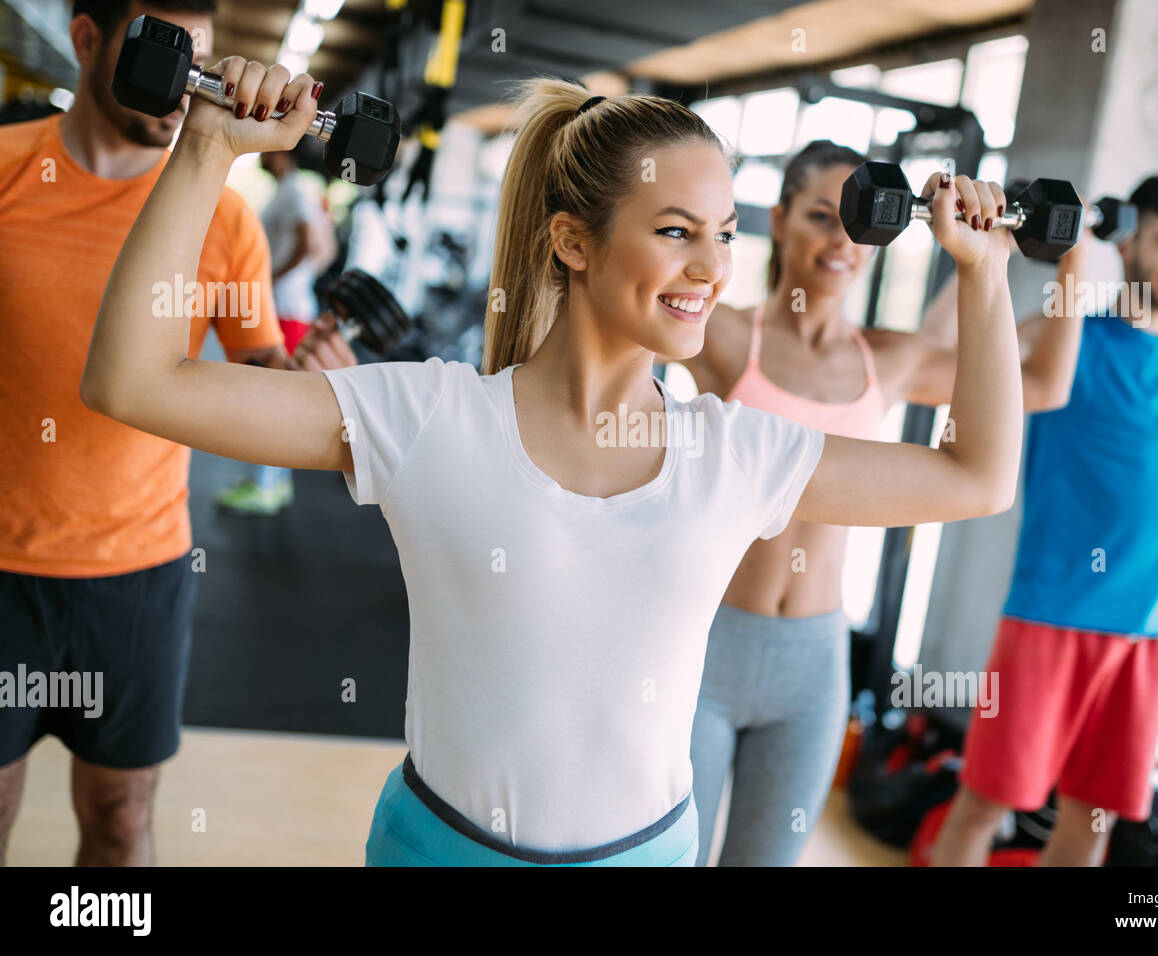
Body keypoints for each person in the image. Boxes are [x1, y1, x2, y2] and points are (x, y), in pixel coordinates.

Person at [81, 61, 1025, 865]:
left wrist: (984, 274)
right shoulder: (428, 415)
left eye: (726, 234)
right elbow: (133, 382)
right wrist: (206, 147)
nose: (712, 268)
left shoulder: (735, 455)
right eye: (675, 231)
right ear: (573, 239)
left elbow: (977, 477)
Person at [0, 0, 353, 866]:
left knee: (121, 825)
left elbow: (259, 364)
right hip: (3, 573)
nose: (179, 87)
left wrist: (304, 385)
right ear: (86, 41)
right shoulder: (7, 173)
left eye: (195, 60)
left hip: (141, 576)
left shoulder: (221, 219)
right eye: (156, 53)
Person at [673, 140, 1086, 866]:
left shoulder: (887, 360)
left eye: (855, 222)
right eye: (818, 217)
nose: (838, 240)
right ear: (780, 218)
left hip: (813, 661)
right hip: (708, 645)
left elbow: (1043, 385)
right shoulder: (726, 335)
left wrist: (1072, 255)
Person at [930, 173, 1158, 866]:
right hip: (1050, 618)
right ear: (1125, 240)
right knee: (983, 807)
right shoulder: (1071, 338)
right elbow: (962, 351)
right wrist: (988, 245)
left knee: (1091, 822)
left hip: (1152, 634)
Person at [214, 144, 325, 516]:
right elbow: (321, 249)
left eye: (265, 153)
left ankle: (266, 487)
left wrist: (271, 279)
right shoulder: (290, 190)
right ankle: (274, 482)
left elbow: (311, 244)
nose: (259, 157)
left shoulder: (294, 189)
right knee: (270, 393)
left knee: (271, 396)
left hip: (287, 308)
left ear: (278, 155)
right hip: (287, 304)